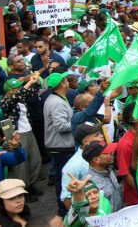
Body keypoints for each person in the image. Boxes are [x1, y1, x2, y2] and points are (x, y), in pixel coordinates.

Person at [43, 71, 76, 214]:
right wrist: (77, 123)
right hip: (60, 146)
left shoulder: (58, 98)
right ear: (62, 84)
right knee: (63, 179)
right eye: (66, 80)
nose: (68, 82)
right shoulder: (56, 102)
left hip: (62, 144)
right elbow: (61, 126)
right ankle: (63, 208)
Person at [82, 140, 123, 212]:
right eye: (107, 153)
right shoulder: (89, 182)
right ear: (96, 160)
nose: (112, 153)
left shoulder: (108, 170)